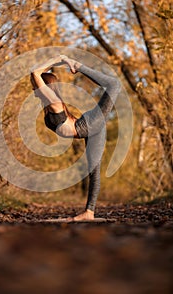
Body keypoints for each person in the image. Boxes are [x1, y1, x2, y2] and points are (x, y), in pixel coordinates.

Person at [30, 55, 121, 221]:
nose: (33, 89)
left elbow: (35, 73)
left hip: (89, 125)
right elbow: (36, 75)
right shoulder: (49, 104)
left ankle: (77, 65)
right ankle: (89, 212)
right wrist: (57, 62)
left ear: (45, 86)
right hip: (88, 126)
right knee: (94, 170)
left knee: (115, 84)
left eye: (34, 86)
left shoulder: (54, 102)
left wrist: (61, 58)